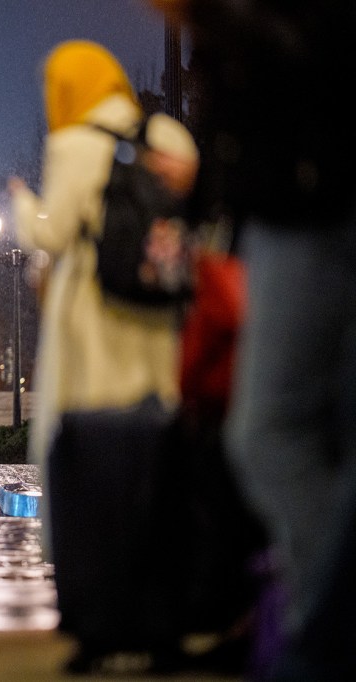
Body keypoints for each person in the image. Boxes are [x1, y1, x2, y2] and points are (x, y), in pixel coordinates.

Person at [152, 2, 356, 679]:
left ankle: (322, 627)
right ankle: (313, 621)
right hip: (288, 199)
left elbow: (295, 59)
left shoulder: (251, 25)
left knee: (270, 435)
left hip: (307, 203)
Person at [7, 40, 198, 672]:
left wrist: (20, 204)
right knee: (153, 461)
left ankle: (98, 616)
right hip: (155, 319)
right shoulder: (167, 132)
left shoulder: (72, 144)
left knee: (89, 468)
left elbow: (53, 232)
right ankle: (158, 611)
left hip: (92, 324)